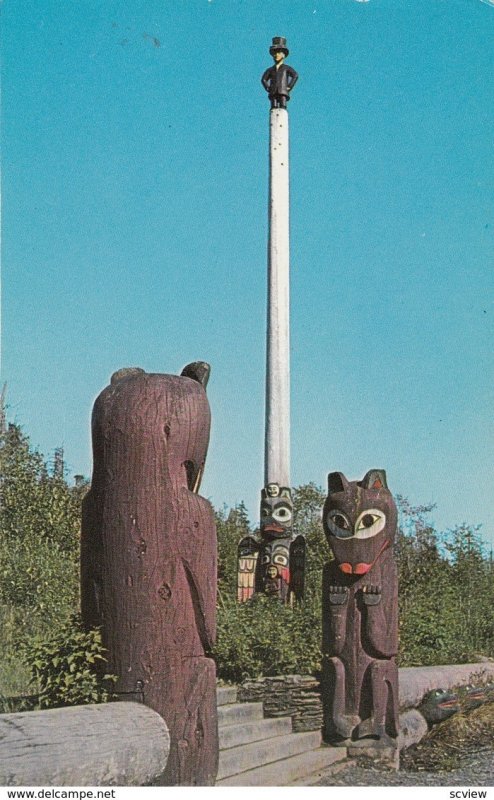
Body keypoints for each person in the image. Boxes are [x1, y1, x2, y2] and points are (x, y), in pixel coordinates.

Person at [261, 36, 298, 109]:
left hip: (283, 90)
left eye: (279, 53)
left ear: (283, 55)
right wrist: (268, 88)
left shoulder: (286, 68)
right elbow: (263, 79)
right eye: (275, 53)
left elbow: (295, 75)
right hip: (273, 91)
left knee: (283, 105)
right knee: (273, 106)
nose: (276, 55)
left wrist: (289, 86)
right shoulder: (270, 69)